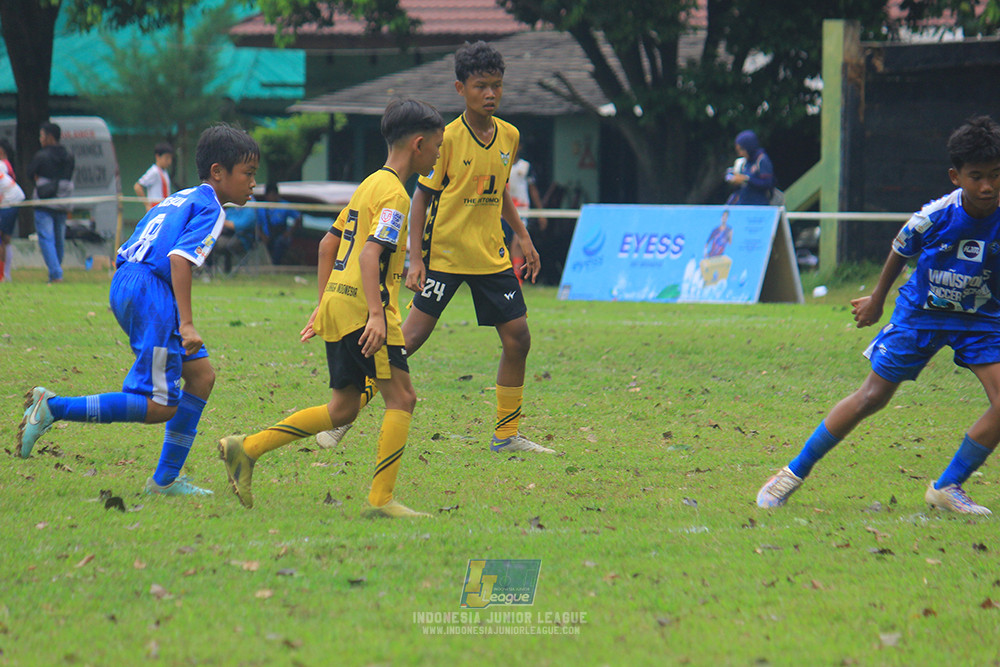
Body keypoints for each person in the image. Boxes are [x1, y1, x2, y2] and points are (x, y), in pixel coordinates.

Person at [315, 40, 554, 456]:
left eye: (497, 85)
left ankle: (506, 434)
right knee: (403, 344)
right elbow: (422, 198)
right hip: (442, 257)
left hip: (491, 257)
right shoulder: (444, 139)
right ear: (460, 88)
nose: (491, 94)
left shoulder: (509, 137)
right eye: (481, 86)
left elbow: (499, 192)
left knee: (519, 339)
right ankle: (346, 414)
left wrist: (524, 237)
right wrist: (416, 259)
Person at [756, 115, 1000, 516]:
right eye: (977, 176)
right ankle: (792, 472)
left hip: (979, 318)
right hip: (922, 314)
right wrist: (876, 298)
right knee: (872, 397)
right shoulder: (935, 216)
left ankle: (948, 486)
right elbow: (901, 250)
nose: (988, 185)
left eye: (995, 175)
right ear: (956, 176)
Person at [218, 98, 445, 517]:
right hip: (365, 310)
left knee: (342, 408)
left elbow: (328, 243)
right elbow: (368, 255)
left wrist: (324, 303)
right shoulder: (395, 196)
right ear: (417, 144)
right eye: (437, 145)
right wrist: (377, 315)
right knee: (402, 398)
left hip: (340, 305)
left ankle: (245, 448)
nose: (438, 153)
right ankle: (382, 500)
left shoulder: (369, 185)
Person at [17, 123, 260, 496]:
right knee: (161, 404)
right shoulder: (211, 208)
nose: (253, 183)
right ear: (218, 172)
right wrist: (188, 324)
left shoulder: (179, 198)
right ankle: (53, 408)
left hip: (130, 279)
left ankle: (164, 481)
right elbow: (179, 260)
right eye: (248, 174)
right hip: (151, 291)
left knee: (201, 377)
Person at [27, 122, 75, 283]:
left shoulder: (41, 155)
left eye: (42, 135)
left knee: (46, 238)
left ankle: (56, 274)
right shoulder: (69, 155)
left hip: (44, 203)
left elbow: (30, 173)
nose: (40, 139)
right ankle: (55, 272)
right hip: (63, 202)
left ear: (50, 137)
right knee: (58, 239)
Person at [725, 130, 774, 206]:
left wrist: (746, 179)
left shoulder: (762, 160)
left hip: (758, 205)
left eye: (742, 149)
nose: (740, 153)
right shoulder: (743, 162)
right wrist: (733, 179)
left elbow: (768, 183)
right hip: (743, 204)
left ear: (749, 147)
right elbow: (731, 177)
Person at [256, 182, 302, 265]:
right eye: (270, 194)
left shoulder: (284, 205)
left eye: (274, 194)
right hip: (267, 236)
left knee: (280, 243)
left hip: (281, 236)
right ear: (266, 196)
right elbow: (257, 224)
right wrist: (263, 236)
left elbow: (298, 217)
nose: (272, 197)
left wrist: (289, 233)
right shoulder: (261, 207)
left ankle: (276, 265)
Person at [0, 138, 25, 282]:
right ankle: (5, 274)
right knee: (5, 239)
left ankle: (3, 275)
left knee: (2, 239)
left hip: (10, 201)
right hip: (10, 201)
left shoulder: (3, 165)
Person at [212, 197, 259, 273]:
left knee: (219, 244)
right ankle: (208, 271)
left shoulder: (250, 210)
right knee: (209, 242)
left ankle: (209, 271)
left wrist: (225, 223)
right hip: (227, 236)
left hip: (243, 240)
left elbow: (240, 225)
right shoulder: (232, 209)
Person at [134, 142, 174, 211]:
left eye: (170, 158)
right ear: (158, 157)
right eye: (166, 158)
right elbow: (137, 186)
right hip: (156, 207)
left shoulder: (164, 172)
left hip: (164, 207)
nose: (169, 162)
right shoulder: (154, 171)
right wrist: (147, 205)